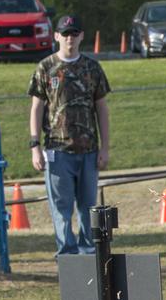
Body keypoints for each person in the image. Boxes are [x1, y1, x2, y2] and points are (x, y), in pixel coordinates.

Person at [28, 15, 112, 257]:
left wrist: (105, 148)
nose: (69, 39)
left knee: (88, 207)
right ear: (56, 36)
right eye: (65, 34)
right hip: (57, 150)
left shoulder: (92, 68)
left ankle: (88, 254)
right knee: (61, 208)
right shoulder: (46, 67)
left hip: (88, 150)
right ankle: (66, 255)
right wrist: (35, 146)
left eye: (74, 33)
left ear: (81, 36)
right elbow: (36, 108)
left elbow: (102, 109)